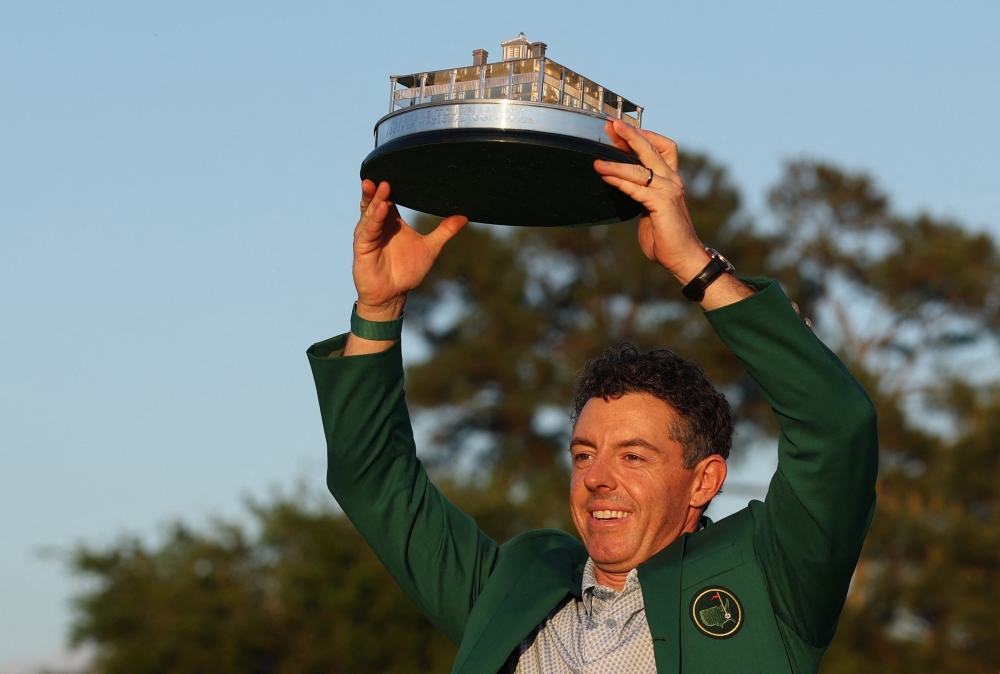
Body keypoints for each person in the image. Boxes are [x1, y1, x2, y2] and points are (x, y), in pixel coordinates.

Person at [306, 120, 879, 673]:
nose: (597, 478)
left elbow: (836, 425)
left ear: (704, 480)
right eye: (584, 455)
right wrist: (378, 311)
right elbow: (373, 479)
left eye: (633, 456)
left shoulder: (770, 575)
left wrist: (693, 265)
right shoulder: (518, 586)